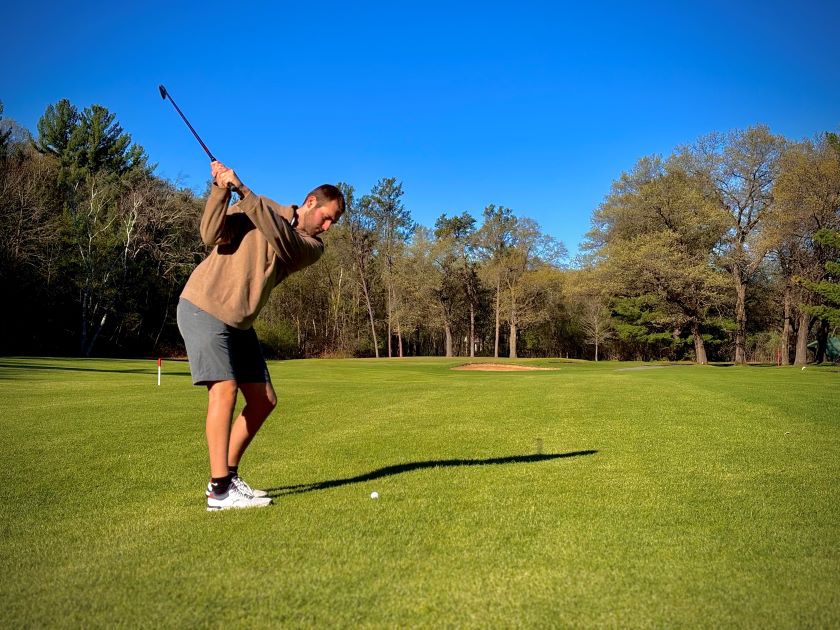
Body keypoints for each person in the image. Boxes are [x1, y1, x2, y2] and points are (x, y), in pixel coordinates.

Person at [177, 161, 344, 511]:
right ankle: (219, 490)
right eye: (327, 217)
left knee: (263, 400)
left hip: (239, 322)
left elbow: (281, 237)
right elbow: (210, 235)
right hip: (204, 306)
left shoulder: (310, 246)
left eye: (333, 223)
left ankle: (229, 475)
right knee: (224, 390)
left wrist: (244, 191)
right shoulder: (257, 207)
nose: (327, 227)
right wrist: (221, 190)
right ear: (310, 202)